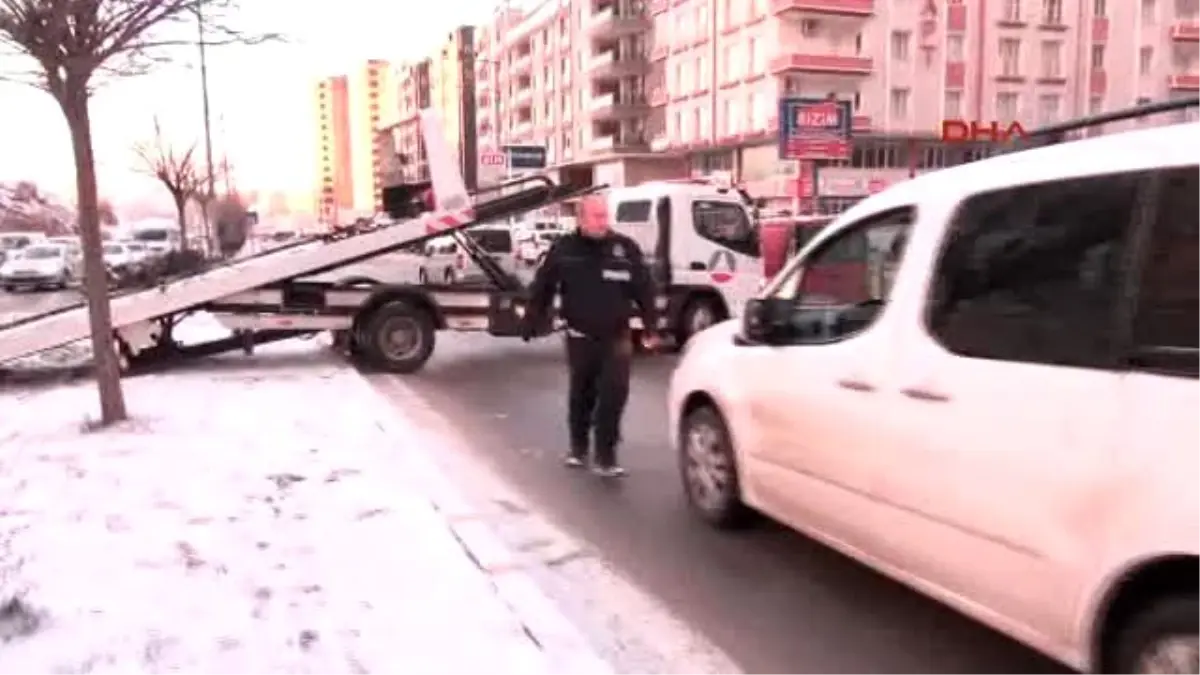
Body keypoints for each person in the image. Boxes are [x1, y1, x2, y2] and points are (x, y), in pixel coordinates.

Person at [520, 194, 660, 477]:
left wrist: (651, 327)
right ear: (581, 219)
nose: (602, 222)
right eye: (596, 216)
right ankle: (578, 447)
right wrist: (531, 321)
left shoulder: (624, 248)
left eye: (605, 216)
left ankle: (606, 456)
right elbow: (543, 287)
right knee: (582, 394)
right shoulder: (564, 249)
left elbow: (645, 290)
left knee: (613, 395)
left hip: (616, 338)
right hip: (579, 336)